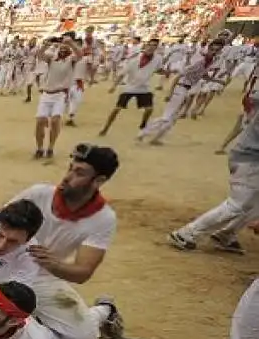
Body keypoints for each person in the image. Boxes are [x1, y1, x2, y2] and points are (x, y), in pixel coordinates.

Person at [7, 144, 121, 339]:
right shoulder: (38, 194)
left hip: (43, 279)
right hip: (3, 269)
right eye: (70, 168)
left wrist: (53, 265)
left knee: (86, 335)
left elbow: (83, 272)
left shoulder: (103, 218)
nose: (68, 176)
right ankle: (34, 330)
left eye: (79, 173)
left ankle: (104, 310)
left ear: (99, 181)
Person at [168, 100, 259, 254]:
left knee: (255, 204)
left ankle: (226, 234)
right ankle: (186, 234)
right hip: (249, 159)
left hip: (249, 157)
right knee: (237, 205)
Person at [99, 39, 161, 137]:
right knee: (117, 109)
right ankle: (105, 128)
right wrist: (114, 86)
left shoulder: (158, 58)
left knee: (149, 109)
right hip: (130, 87)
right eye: (150, 45)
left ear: (156, 48)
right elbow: (122, 74)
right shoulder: (135, 59)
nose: (151, 47)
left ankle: (143, 124)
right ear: (146, 46)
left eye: (154, 45)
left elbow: (158, 69)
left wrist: (166, 72)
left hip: (144, 87)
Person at [33, 37, 78, 160]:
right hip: (46, 94)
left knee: (55, 120)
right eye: (61, 47)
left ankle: (51, 147)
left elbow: (80, 54)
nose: (63, 49)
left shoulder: (71, 59)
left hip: (60, 94)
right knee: (40, 121)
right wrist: (44, 45)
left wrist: (72, 44)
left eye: (65, 47)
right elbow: (39, 55)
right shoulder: (52, 57)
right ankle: (39, 148)